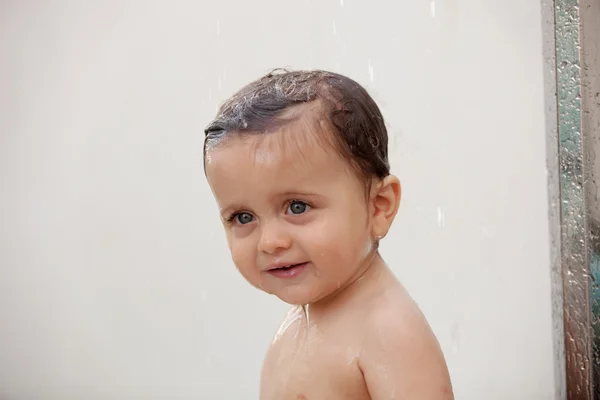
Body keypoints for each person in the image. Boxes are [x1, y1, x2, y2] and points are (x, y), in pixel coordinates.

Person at [203, 69, 453, 399]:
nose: (270, 241)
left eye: (297, 207)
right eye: (243, 216)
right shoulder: (300, 321)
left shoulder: (389, 332)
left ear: (378, 207)